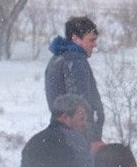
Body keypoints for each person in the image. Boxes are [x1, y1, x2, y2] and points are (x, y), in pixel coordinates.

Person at [45, 17, 105, 146]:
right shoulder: (75, 61)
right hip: (78, 139)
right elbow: (79, 104)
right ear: (75, 38)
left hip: (60, 135)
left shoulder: (56, 60)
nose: (95, 44)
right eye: (91, 40)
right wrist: (92, 139)